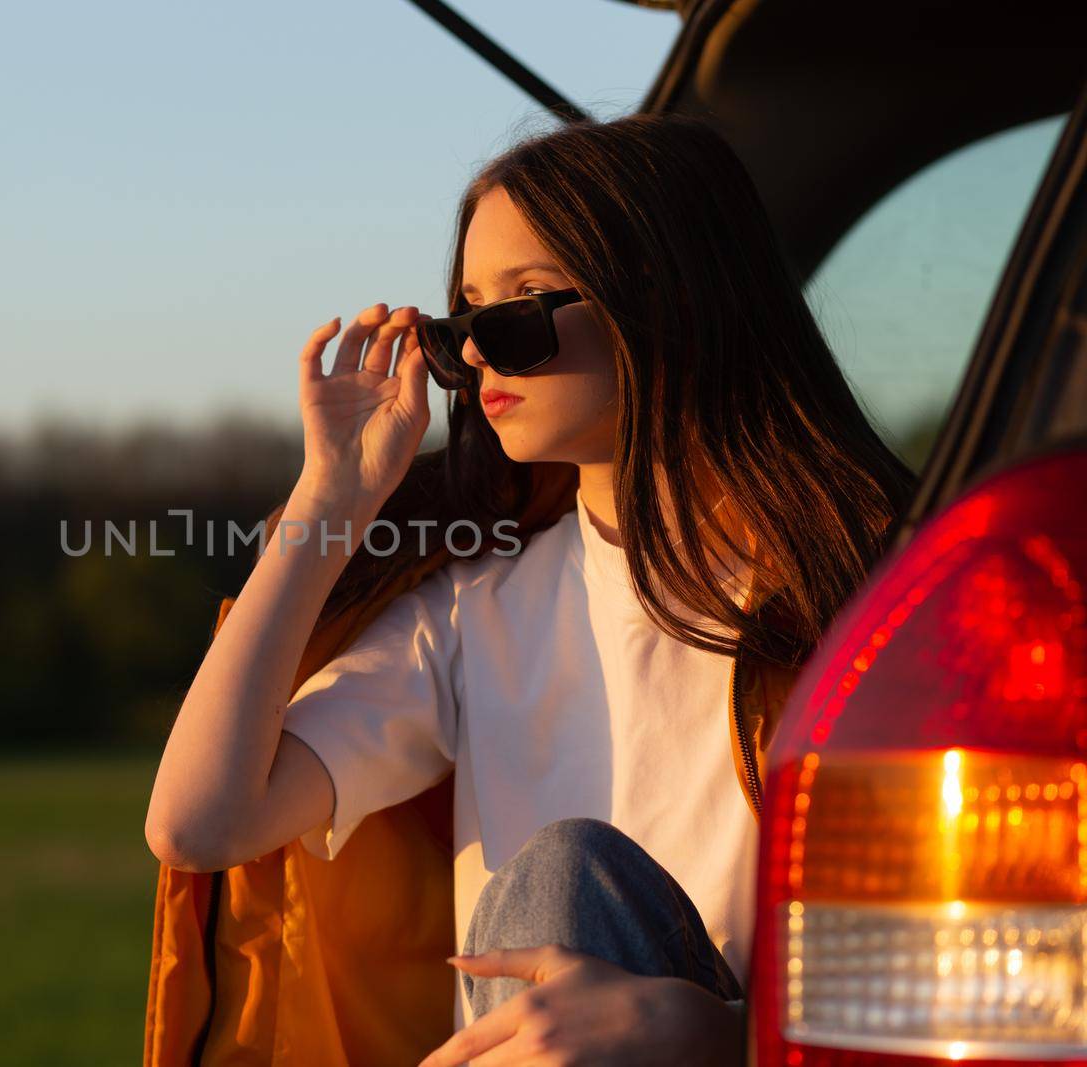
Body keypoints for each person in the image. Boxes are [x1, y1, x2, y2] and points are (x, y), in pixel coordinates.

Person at [144, 113, 915, 1065]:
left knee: (565, 879)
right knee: (557, 887)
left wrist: (710, 1036)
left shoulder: (873, 601)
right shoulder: (475, 613)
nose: (472, 356)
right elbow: (197, 822)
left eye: (519, 311)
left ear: (668, 304)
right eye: (461, 321)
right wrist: (330, 496)